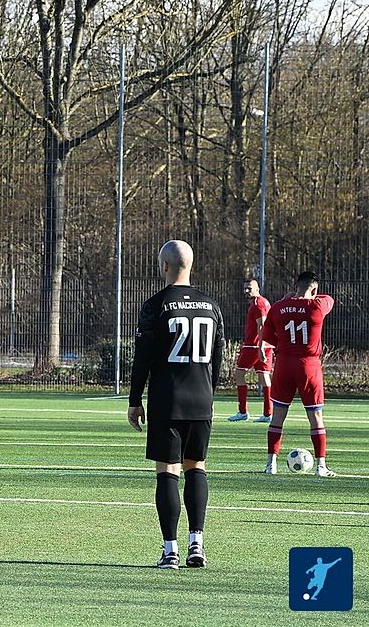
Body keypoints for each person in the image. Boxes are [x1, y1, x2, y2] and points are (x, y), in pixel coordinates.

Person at [128, 240, 225, 570]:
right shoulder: (212, 305)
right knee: (196, 467)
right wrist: (209, 393)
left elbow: (142, 357)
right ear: (191, 265)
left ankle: (170, 550)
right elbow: (218, 359)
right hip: (202, 399)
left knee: (168, 471)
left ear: (164, 266)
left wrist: (135, 400)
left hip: (167, 400)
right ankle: (197, 544)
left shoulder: (156, 305)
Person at [260, 271, 336, 477]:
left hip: (284, 364)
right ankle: (321, 467)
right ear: (314, 289)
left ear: (295, 287)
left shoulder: (278, 307)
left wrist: (289, 301)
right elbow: (330, 299)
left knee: (277, 416)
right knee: (316, 416)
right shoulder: (317, 305)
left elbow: (267, 336)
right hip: (309, 366)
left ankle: (271, 464)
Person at [227, 278, 273, 423]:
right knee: (264, 377)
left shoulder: (258, 304)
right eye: (245, 288)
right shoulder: (262, 302)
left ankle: (243, 411)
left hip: (254, 346)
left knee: (239, 373)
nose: (246, 291)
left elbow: (262, 326)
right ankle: (268, 413)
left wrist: (260, 347)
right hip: (265, 345)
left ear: (257, 289)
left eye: (250, 288)